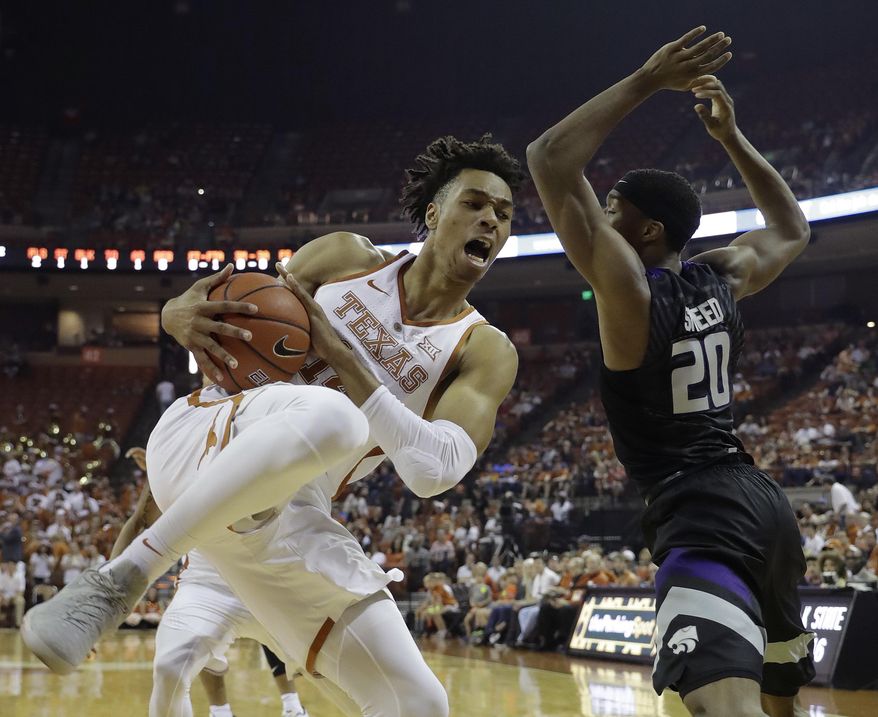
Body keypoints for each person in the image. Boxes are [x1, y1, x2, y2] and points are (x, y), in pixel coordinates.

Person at [23, 134, 523, 717]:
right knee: (335, 417)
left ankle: (139, 572)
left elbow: (431, 472)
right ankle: (121, 579)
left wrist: (341, 355)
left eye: (504, 213)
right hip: (205, 428)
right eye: (474, 203)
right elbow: (234, 311)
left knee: (419, 703)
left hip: (291, 515)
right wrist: (175, 312)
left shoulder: (483, 349)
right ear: (434, 215)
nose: (490, 219)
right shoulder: (346, 258)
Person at [527, 26, 814, 717]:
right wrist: (731, 138)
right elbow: (792, 229)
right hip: (764, 506)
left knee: (725, 707)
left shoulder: (628, 289)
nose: (602, 220)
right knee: (778, 701)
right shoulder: (722, 276)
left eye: (613, 211)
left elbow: (549, 157)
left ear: (648, 230)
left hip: (701, 514)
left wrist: (648, 79)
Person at [111, 448, 311, 717]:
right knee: (176, 664)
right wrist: (106, 602)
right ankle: (221, 711)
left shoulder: (267, 444)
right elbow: (139, 522)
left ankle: (292, 706)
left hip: (268, 578)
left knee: (336, 667)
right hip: (206, 584)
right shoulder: (180, 457)